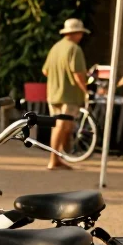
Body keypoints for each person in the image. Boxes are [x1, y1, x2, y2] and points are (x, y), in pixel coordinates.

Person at [42, 17, 90, 169]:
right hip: (69, 94)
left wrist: (58, 76)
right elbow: (78, 74)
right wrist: (86, 91)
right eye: (80, 33)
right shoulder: (75, 49)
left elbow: (45, 71)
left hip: (53, 93)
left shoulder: (55, 48)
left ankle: (62, 157)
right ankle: (54, 159)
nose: (81, 36)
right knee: (61, 126)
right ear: (75, 33)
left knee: (62, 126)